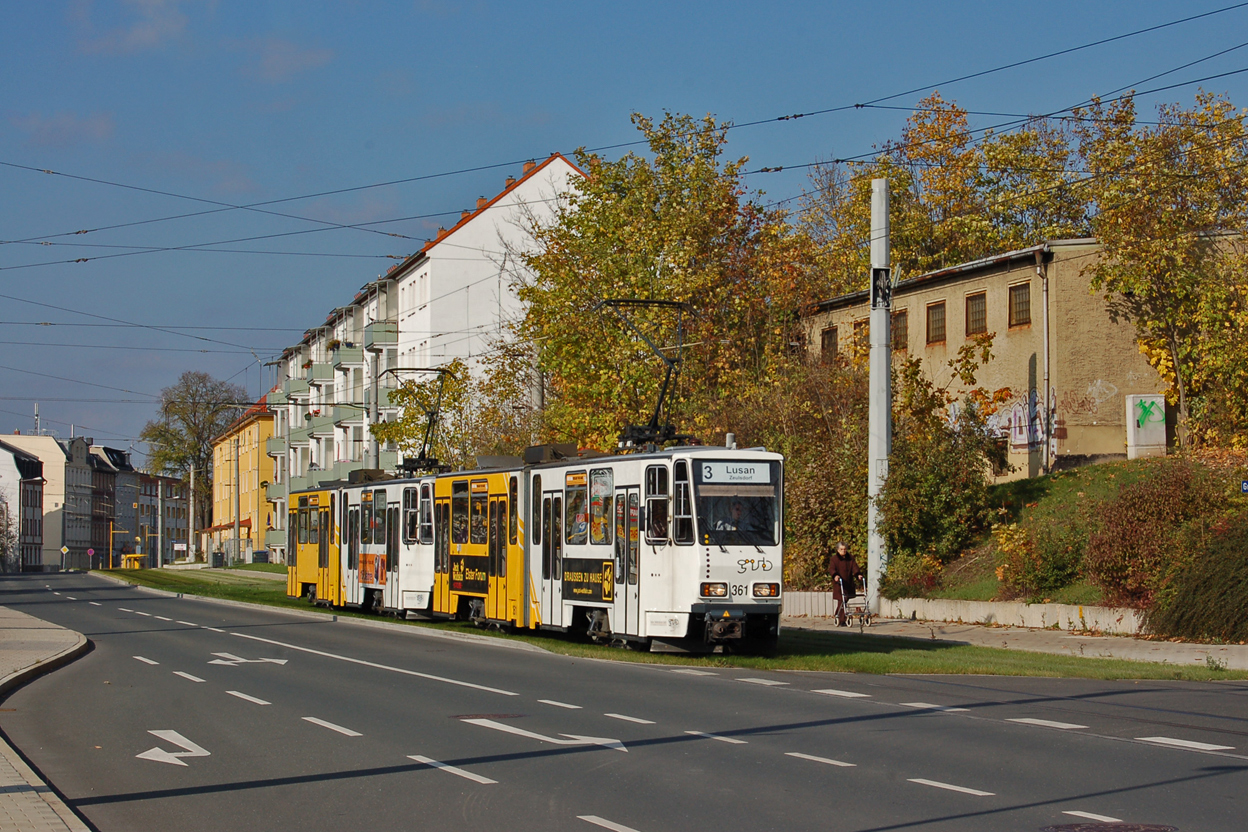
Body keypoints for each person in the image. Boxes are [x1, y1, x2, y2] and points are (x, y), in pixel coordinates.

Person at [828, 540, 864, 626]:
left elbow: (854, 567)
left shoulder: (850, 558)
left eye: (844, 549)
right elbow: (831, 569)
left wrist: (858, 574)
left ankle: (838, 615)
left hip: (848, 582)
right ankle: (841, 620)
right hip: (839, 583)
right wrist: (835, 575)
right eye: (841, 549)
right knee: (842, 600)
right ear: (838, 550)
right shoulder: (834, 559)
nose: (843, 551)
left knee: (845, 600)